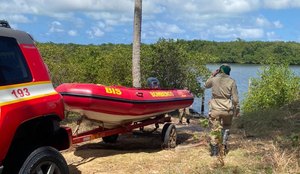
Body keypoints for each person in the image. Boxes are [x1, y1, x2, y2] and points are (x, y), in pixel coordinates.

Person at [204, 64, 240, 156]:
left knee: (214, 129)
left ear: (220, 71)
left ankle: (215, 152)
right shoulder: (232, 81)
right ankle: (223, 146)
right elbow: (235, 99)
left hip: (215, 108)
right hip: (227, 109)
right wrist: (237, 109)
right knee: (226, 127)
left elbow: (206, 85)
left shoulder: (214, 79)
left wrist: (213, 75)